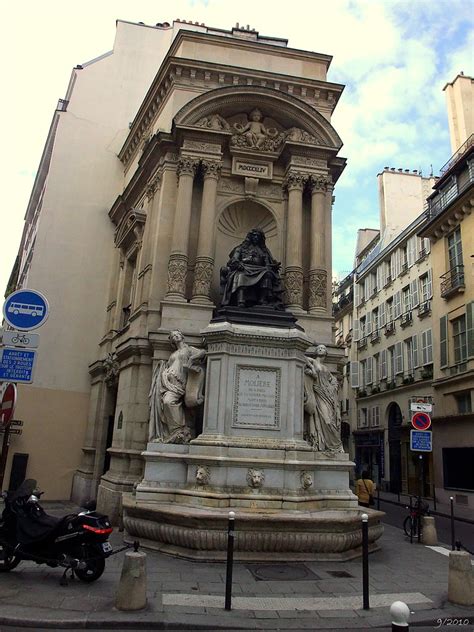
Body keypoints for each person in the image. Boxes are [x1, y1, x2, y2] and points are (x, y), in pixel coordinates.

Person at [148, 330, 206, 444]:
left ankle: (178, 429)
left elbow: (203, 352)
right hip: (168, 382)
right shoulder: (172, 355)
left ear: (182, 336)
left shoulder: (188, 349)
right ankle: (174, 431)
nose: (175, 336)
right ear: (172, 341)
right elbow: (170, 366)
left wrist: (192, 359)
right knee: (165, 402)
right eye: (173, 336)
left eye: (177, 334)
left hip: (180, 383)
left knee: (168, 402)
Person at [220, 228, 283, 309]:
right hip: (244, 268)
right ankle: (241, 301)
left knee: (267, 273)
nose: (256, 238)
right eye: (254, 236)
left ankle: (262, 300)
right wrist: (238, 264)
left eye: (258, 236)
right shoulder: (241, 248)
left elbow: (267, 264)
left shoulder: (264, 251)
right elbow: (234, 260)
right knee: (240, 275)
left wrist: (273, 266)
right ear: (250, 237)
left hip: (260, 270)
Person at [304, 344, 344, 453]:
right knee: (326, 420)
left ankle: (335, 446)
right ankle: (328, 444)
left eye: (324, 348)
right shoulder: (313, 361)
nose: (321, 349)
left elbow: (333, 380)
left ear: (326, 353)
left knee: (331, 420)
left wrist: (334, 385)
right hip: (319, 393)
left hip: (328, 395)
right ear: (316, 351)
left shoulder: (326, 368)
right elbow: (302, 358)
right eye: (319, 348)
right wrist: (312, 370)